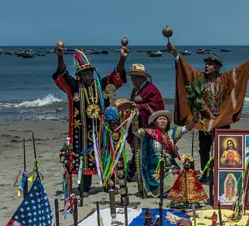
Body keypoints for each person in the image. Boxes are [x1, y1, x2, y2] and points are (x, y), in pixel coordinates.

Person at [169, 42, 249, 182]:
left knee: (223, 148)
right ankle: (205, 174)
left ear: (218, 67)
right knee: (204, 148)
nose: (207, 66)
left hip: (221, 119)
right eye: (207, 63)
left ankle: (221, 173)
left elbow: (240, 71)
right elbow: (187, 70)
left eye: (211, 64)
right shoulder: (199, 78)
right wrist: (176, 55)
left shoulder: (225, 78)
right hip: (204, 120)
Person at [53, 42, 128, 195]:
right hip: (81, 131)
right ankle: (84, 187)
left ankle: (109, 183)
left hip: (102, 130)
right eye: (84, 73)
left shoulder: (101, 85)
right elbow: (62, 73)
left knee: (106, 154)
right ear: (79, 76)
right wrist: (60, 56)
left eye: (90, 72)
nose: (88, 76)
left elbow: (116, 75)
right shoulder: (75, 86)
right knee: (83, 158)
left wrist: (122, 58)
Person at [135, 110, 196, 197]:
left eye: (165, 119)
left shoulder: (172, 133)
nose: (163, 121)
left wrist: (194, 120)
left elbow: (186, 128)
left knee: (185, 179)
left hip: (170, 168)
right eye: (160, 119)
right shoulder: (148, 133)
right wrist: (134, 117)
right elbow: (135, 131)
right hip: (155, 171)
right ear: (155, 122)